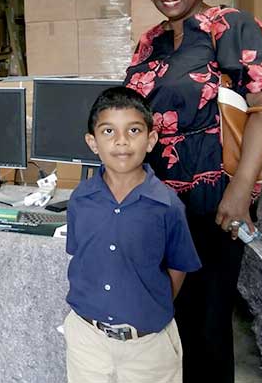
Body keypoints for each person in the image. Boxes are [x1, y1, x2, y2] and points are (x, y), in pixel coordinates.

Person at [126, 0, 262, 382]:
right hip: (156, 199)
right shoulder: (149, 42)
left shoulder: (231, 25)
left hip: (215, 199)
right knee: (168, 312)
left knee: (208, 321)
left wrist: (239, 193)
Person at [63, 87, 201, 383]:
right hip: (87, 340)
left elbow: (178, 268)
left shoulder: (167, 206)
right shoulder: (80, 199)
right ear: (92, 142)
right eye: (109, 131)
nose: (121, 141)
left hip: (147, 347)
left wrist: (147, 306)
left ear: (150, 139)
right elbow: (81, 256)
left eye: (134, 130)